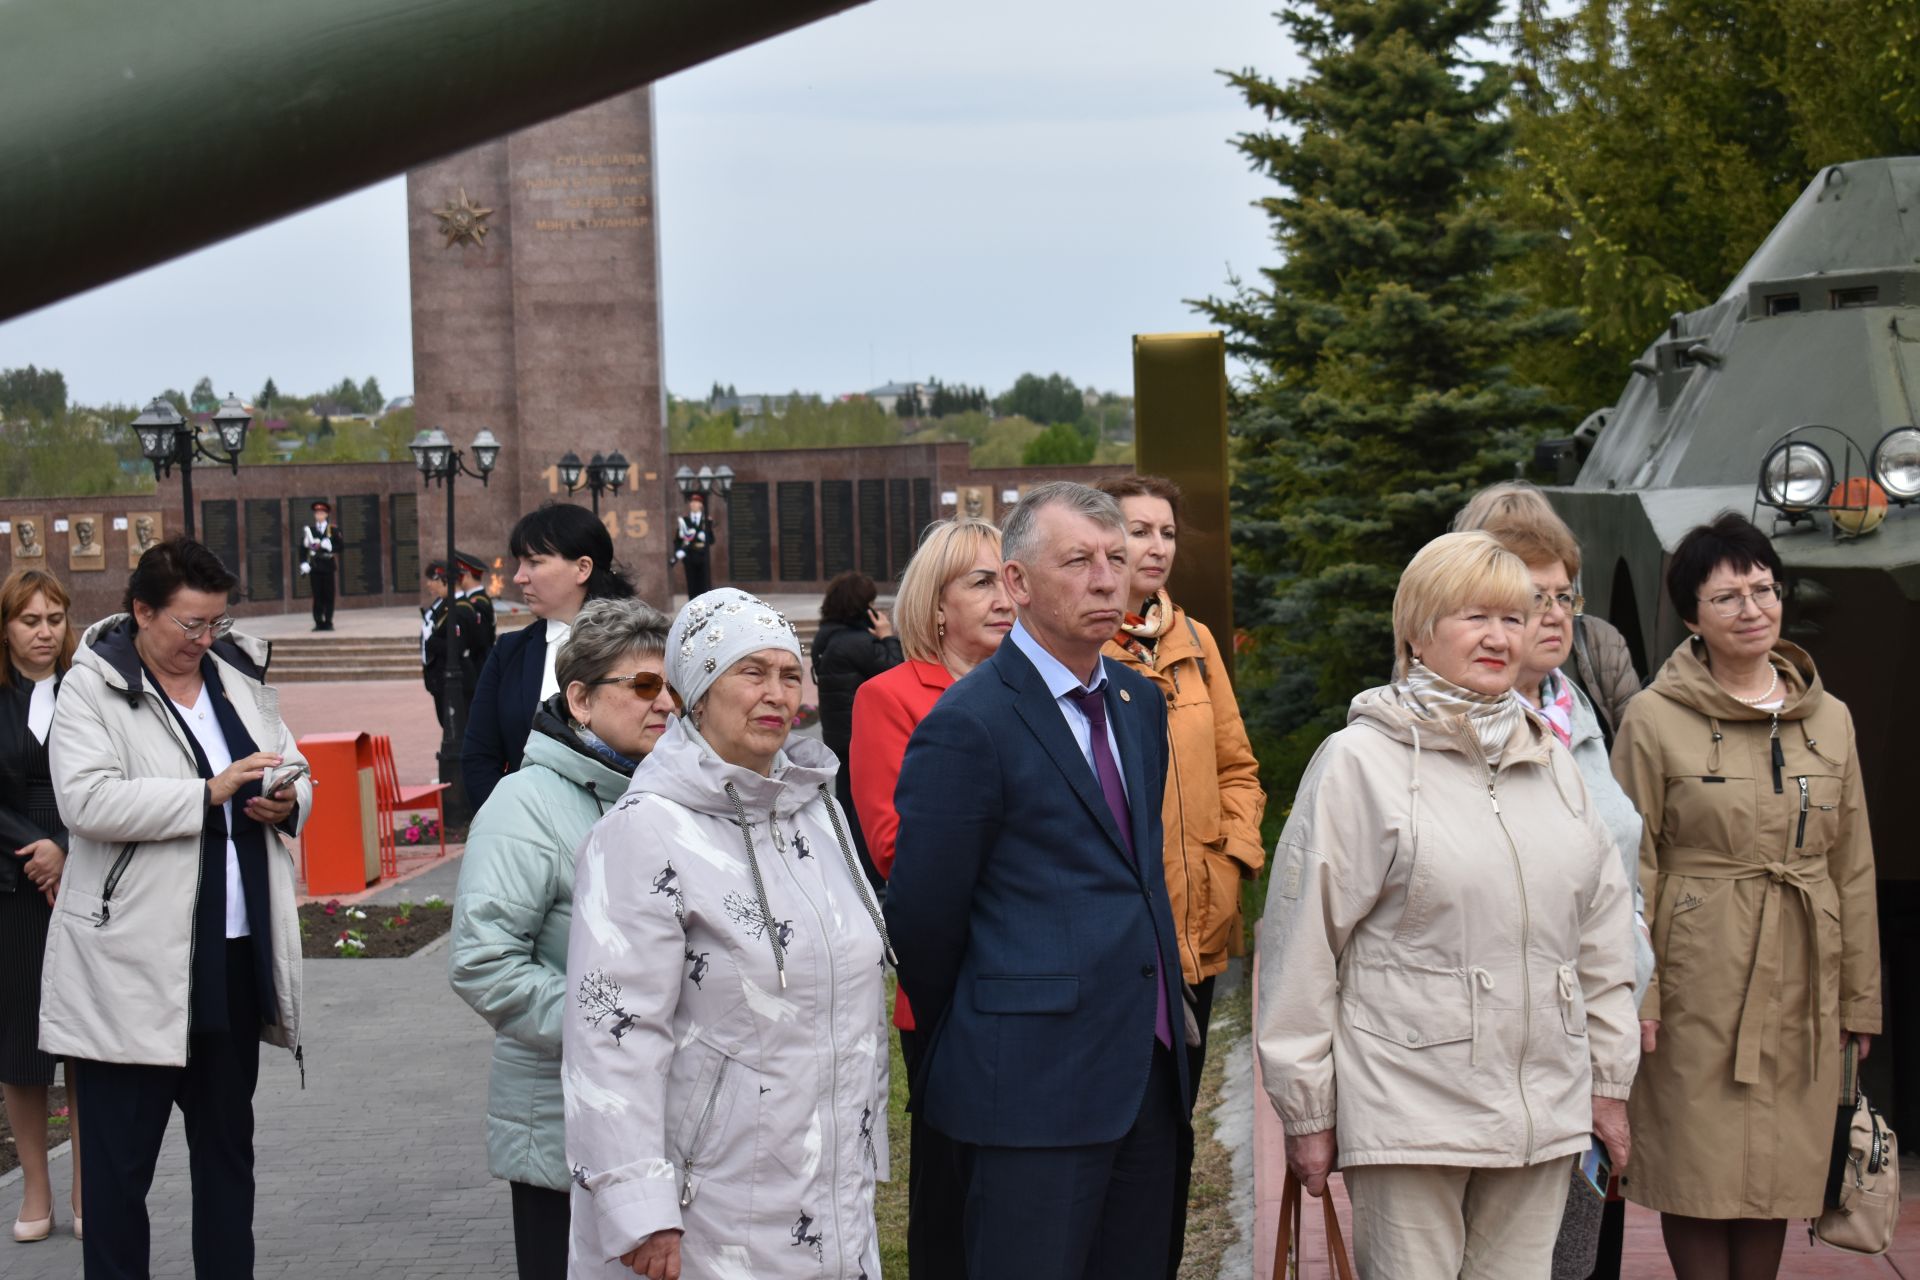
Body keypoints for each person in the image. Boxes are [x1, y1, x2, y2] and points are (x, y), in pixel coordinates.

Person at [1255, 530, 1638, 1280]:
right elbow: (1303, 948)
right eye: (1474, 617)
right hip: (1411, 1113)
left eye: (1515, 616)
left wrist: (1609, 1084)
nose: (1500, 637)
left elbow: (1602, 938)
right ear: (1417, 632)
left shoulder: (1553, 763)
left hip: (1541, 1112)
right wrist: (1307, 1112)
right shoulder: (1359, 764)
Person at [887, 482, 1185, 1280]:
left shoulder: (1135, 703)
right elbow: (923, 919)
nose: (1106, 580)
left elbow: (1135, 874)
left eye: (1117, 560)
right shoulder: (969, 724)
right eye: (1079, 561)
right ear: (1016, 582)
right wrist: (997, 1034)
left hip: (1148, 1078)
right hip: (1030, 1092)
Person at [563, 588, 894, 1278]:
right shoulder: (644, 833)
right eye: (751, 672)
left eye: (788, 674)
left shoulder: (814, 813)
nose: (776, 694)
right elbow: (612, 1036)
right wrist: (640, 1208)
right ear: (697, 693)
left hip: (827, 1193)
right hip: (709, 1212)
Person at [1611, 513, 1881, 1279]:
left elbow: (1852, 866)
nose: (1753, 608)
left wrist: (1860, 1000)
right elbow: (1633, 866)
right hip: (1697, 971)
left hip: (1804, 973)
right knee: (1700, 1169)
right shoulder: (1653, 719)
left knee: (1776, 1175)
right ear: (1691, 616)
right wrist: (1641, 994)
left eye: (1764, 589)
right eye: (1727, 596)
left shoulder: (1830, 719)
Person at [41, 536, 312, 1279]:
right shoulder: (90, 689)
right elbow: (86, 800)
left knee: (228, 1161)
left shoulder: (237, 678)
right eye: (190, 625)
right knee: (119, 1173)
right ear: (140, 612)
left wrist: (288, 798)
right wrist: (207, 793)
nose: (204, 640)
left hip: (230, 956)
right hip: (131, 970)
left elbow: (292, 759)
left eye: (215, 623)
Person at [1455, 496, 1657, 1280]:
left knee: (1582, 1254)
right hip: (1500, 1047)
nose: (1551, 615)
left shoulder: (1579, 713)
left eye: (1563, 595)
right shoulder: (1432, 727)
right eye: (1528, 598)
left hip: (1592, 1040)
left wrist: (1637, 980)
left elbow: (1623, 861)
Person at [450, 598, 676, 1280]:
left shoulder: (674, 796)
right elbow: (485, 962)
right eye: (642, 686)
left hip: (663, 1127)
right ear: (580, 699)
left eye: (673, 687)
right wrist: (613, 1025)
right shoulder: (528, 805)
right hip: (562, 1129)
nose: (664, 703)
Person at [1092, 474, 1266, 1277]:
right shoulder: (1085, 648)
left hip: (1195, 928)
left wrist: (1229, 856)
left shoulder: (1192, 641)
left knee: (1176, 1130)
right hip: (1120, 940)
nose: (1155, 546)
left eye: (1165, 531)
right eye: (1138, 530)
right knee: (1112, 1135)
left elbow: (1238, 767)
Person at [847, 516, 1012, 1280]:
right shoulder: (890, 696)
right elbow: (892, 843)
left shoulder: (1038, 691)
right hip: (951, 978)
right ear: (935, 606)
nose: (1003, 596)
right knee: (953, 1183)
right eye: (980, 581)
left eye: (1010, 578)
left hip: (1039, 974)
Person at [0, 568, 81, 1243]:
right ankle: (35, 1189)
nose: (44, 633)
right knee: (22, 1048)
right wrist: (36, 849)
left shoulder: (90, 694)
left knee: (85, 1041)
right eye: (30, 621)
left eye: (53, 618)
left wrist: (63, 846)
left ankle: (89, 1184)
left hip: (84, 877)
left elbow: (110, 778)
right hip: (11, 888)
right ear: (6, 628)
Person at [465, 503, 636, 811]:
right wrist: (508, 822)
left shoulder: (641, 645)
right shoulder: (509, 653)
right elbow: (479, 756)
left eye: (534, 562)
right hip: (532, 834)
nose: (519, 577)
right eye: (519, 564)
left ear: (582, 568)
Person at [1453, 483, 1641, 745]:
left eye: (1564, 597)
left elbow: (1636, 763)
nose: (1556, 616)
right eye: (1535, 598)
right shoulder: (1439, 677)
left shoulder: (1599, 645)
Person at [811, 570, 902, 891]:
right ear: (861, 607)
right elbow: (895, 668)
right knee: (865, 809)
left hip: (838, 735)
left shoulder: (827, 637)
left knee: (848, 802)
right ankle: (868, 873)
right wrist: (888, 635)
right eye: (871, 603)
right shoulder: (858, 642)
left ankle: (850, 866)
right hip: (859, 736)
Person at [422, 560, 484, 731]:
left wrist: (430, 641)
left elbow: (456, 648)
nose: (429, 584)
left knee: (458, 730)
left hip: (457, 680)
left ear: (445, 580)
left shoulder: (461, 609)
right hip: (443, 679)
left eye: (433, 579)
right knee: (450, 728)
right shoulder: (447, 606)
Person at [299, 499, 338, 631]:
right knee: (317, 596)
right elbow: (302, 549)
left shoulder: (333, 530)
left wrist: (331, 546)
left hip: (327, 567)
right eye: (317, 513)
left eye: (322, 513)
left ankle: (328, 621)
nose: (319, 515)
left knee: (328, 595)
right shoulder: (309, 531)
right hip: (315, 567)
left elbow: (340, 547)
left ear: (326, 514)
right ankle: (318, 622)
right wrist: (303, 563)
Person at [457, 549, 498, 668]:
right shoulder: (473, 599)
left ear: (468, 575)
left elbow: (481, 640)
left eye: (460, 575)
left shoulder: (478, 602)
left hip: (479, 663)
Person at [673, 491, 714, 598]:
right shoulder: (685, 521)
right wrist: (679, 552)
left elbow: (712, 540)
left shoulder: (706, 521)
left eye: (696, 502)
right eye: (691, 502)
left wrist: (706, 537)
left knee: (704, 586)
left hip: (703, 557)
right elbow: (678, 540)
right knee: (691, 585)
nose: (693, 504)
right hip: (689, 557)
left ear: (701, 505)